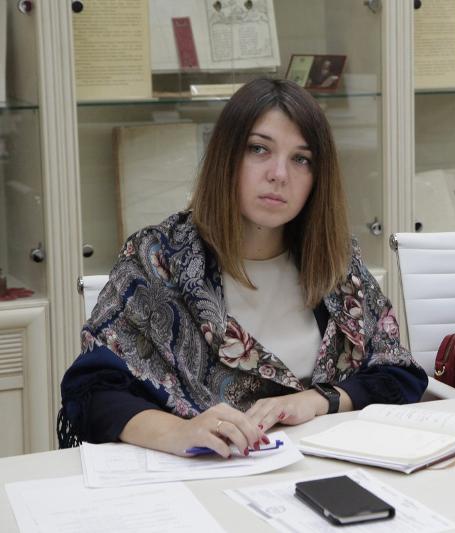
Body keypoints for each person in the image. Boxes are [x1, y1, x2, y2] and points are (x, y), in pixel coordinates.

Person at [58, 78, 427, 456]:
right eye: (259, 149)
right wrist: (180, 432)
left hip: (318, 466)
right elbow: (91, 391)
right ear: (227, 156)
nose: (279, 174)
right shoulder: (158, 258)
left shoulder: (336, 261)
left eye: (301, 159)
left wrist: (318, 400)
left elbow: (398, 373)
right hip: (202, 473)